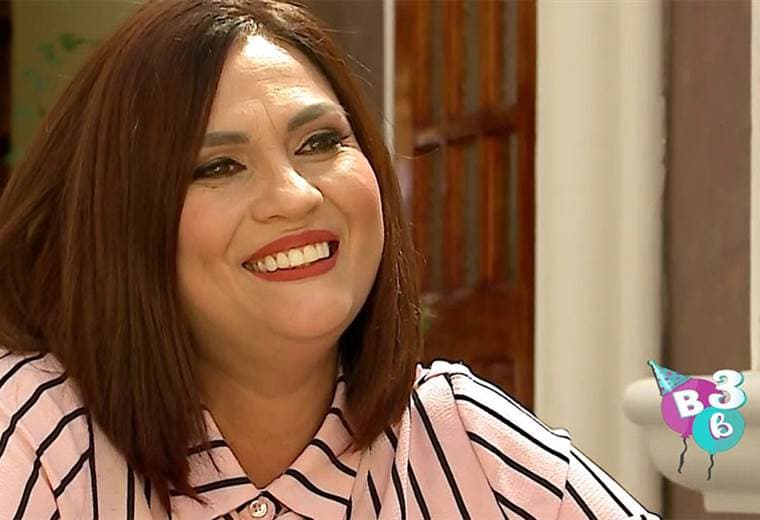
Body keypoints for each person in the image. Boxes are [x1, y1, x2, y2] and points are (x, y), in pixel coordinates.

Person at [0, 1, 661, 518]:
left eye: (320, 142)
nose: (295, 196)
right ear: (120, 222)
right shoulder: (32, 432)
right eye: (219, 166)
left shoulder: (460, 436)